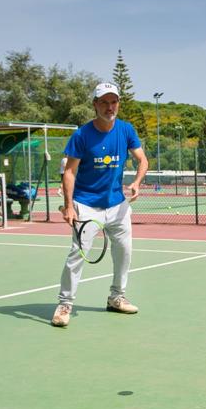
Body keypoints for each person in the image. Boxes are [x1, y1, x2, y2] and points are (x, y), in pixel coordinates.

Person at [52, 82, 149, 328]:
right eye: (104, 102)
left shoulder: (126, 130)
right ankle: (65, 304)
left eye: (113, 102)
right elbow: (69, 172)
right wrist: (69, 206)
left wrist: (137, 182)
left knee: (124, 252)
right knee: (77, 254)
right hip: (86, 204)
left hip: (117, 204)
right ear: (95, 105)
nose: (109, 107)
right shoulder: (82, 135)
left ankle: (117, 297)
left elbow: (142, 160)